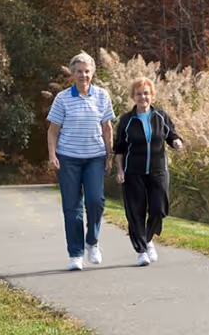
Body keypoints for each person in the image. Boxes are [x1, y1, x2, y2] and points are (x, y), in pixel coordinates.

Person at [47, 51, 115, 271]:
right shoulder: (63, 98)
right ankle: (75, 254)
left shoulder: (102, 96)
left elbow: (107, 128)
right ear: (72, 74)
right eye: (79, 72)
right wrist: (52, 155)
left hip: (95, 157)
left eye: (87, 71)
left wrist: (109, 155)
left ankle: (92, 242)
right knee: (72, 207)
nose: (83, 75)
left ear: (92, 73)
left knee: (96, 201)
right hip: (68, 159)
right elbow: (53, 130)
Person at [113, 77, 182, 266]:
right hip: (133, 171)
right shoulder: (127, 120)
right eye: (138, 93)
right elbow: (118, 148)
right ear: (133, 97)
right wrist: (120, 171)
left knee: (159, 209)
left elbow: (171, 134)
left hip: (158, 169)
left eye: (146, 93)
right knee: (135, 212)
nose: (142, 97)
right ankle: (142, 251)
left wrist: (176, 142)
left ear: (151, 95)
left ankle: (148, 237)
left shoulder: (160, 115)